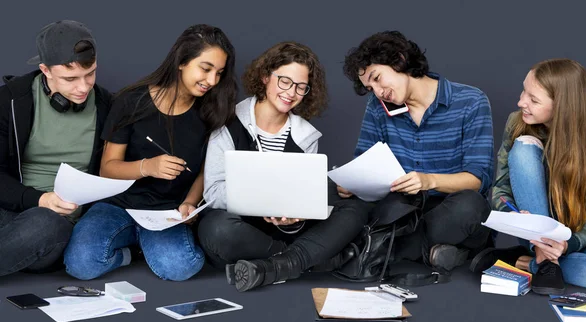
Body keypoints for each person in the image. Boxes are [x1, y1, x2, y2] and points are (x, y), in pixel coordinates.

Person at [64, 24, 237, 281]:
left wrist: (190, 202)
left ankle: (146, 244)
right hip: (118, 205)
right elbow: (107, 168)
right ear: (181, 61)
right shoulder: (132, 101)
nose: (211, 81)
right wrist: (148, 167)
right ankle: (130, 254)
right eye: (205, 68)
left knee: (181, 267)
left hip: (166, 212)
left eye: (219, 73)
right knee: (81, 264)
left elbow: (205, 171)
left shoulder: (211, 112)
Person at [197, 42, 371, 292]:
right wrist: (262, 200)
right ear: (266, 76)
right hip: (243, 230)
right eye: (285, 81)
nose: (292, 92)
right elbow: (212, 192)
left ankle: (278, 265)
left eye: (301, 87)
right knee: (216, 229)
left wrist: (295, 218)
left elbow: (302, 199)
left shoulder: (306, 136)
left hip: (285, 231)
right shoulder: (227, 123)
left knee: (354, 208)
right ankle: (308, 259)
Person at [341, 30, 494, 272]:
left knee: (470, 206)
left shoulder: (471, 101)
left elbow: (477, 180)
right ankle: (437, 253)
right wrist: (351, 182)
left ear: (399, 60)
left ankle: (378, 250)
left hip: (451, 210)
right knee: (339, 198)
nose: (378, 91)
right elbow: (363, 161)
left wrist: (428, 181)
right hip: (401, 211)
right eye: (370, 88)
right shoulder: (378, 107)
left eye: (377, 78)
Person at [471, 58, 586, 294]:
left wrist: (566, 244)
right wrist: (517, 219)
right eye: (524, 91)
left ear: (561, 105)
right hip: (535, 230)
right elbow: (501, 190)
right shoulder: (516, 123)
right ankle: (542, 256)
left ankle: (528, 263)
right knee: (523, 146)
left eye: (534, 99)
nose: (521, 102)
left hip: (582, 235)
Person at [0, 20, 111, 277]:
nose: (83, 87)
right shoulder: (11, 101)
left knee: (43, 223)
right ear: (45, 70)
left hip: (54, 225)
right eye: (70, 78)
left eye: (90, 74)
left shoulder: (108, 107)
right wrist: (39, 198)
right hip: (12, 207)